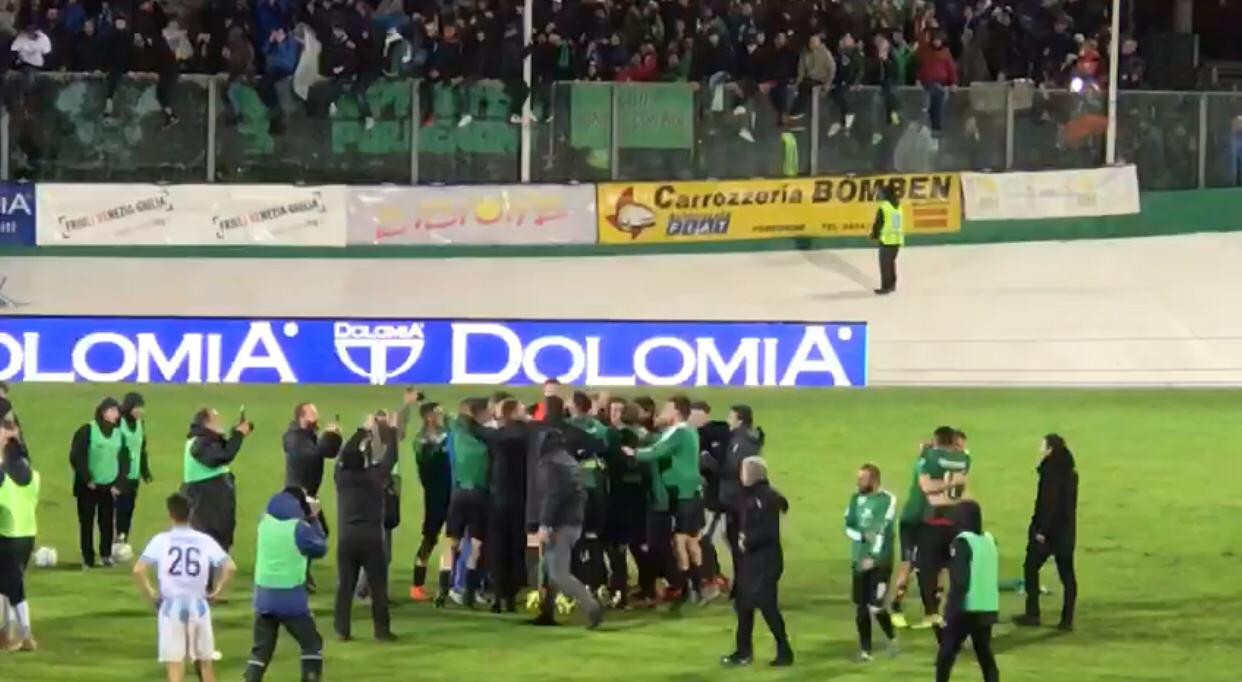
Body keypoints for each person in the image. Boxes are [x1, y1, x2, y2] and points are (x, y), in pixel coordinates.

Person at [133, 493, 236, 682]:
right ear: (191, 513)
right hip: (199, 605)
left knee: (175, 665)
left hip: (171, 607)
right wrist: (217, 592)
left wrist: (152, 594)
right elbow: (229, 567)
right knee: (205, 663)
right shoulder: (204, 540)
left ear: (170, 514)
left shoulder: (161, 540)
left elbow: (138, 570)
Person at [624, 395, 707, 604]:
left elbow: (658, 451)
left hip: (685, 493)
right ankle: (695, 586)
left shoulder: (681, 432)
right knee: (687, 540)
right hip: (685, 492)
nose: (663, 411)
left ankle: (692, 586)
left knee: (682, 540)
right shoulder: (683, 431)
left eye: (667, 408)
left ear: (676, 411)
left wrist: (634, 453)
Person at [245, 487, 328, 682]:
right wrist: (314, 518)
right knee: (311, 643)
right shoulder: (299, 529)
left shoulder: (264, 522)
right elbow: (320, 547)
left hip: (263, 597)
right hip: (291, 599)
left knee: (261, 650)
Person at [722, 456, 792, 667]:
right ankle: (743, 652)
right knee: (743, 606)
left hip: (765, 562)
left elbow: (768, 532)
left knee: (768, 607)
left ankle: (785, 651)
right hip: (749, 561)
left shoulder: (764, 498)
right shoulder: (749, 495)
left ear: (752, 474)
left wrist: (747, 541)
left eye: (743, 471)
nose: (741, 475)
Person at [333, 415, 396, 642]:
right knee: (378, 588)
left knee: (345, 587)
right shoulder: (375, 478)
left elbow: (344, 455)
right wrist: (391, 432)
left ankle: (342, 629)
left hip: (347, 539)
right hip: (372, 540)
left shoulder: (341, 479)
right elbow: (391, 457)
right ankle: (381, 631)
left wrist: (361, 430)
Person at [534, 425, 604, 629]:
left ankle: (592, 607)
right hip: (574, 522)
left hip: (560, 524)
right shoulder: (569, 461)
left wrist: (545, 524)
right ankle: (546, 613)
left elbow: (552, 495)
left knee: (559, 574)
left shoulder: (550, 463)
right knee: (548, 569)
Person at [1015, 434, 1078, 631]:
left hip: (1049, 532)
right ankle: (1067, 620)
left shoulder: (1050, 472)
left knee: (1030, 567)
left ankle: (1032, 614)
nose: (1040, 449)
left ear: (1050, 449)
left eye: (1043, 445)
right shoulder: (1070, 472)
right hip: (1066, 531)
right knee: (1067, 575)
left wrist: (1042, 530)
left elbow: (1049, 503)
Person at [935, 500, 1000, 682]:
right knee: (984, 654)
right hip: (988, 606)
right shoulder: (989, 540)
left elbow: (960, 581)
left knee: (946, 654)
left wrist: (949, 611)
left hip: (967, 607)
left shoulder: (962, 542)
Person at [917, 427, 972, 636]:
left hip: (934, 521)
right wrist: (951, 484)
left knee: (928, 572)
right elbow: (960, 477)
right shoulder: (965, 459)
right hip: (956, 521)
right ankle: (954, 616)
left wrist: (924, 454)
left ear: (937, 440)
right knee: (954, 570)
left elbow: (926, 486)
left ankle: (934, 615)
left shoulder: (931, 457)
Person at [283, 403, 342, 591]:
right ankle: (297, 574)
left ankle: (302, 572)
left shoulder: (308, 435)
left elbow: (328, 452)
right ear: (302, 417)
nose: (317, 417)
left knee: (319, 532)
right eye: (313, 414)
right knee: (313, 533)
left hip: (309, 496)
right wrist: (329, 437)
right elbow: (312, 455)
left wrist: (333, 437)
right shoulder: (295, 438)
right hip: (298, 496)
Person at [845, 464, 899, 661]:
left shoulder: (887, 500)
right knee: (861, 608)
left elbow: (884, 530)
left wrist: (873, 558)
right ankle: (865, 650)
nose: (858, 482)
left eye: (862, 479)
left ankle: (891, 637)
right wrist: (861, 536)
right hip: (859, 561)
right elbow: (848, 526)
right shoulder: (854, 499)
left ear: (874, 480)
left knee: (876, 607)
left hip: (881, 562)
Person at [439, 399, 490, 607]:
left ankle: (443, 590)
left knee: (451, 542)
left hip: (458, 493)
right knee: (476, 543)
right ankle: (469, 590)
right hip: (478, 494)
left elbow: (450, 418)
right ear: (479, 415)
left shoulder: (456, 432)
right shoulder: (485, 441)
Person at [483, 399, 532, 613]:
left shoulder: (497, 436)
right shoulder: (527, 434)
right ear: (513, 413)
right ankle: (511, 597)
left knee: (497, 548)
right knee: (515, 548)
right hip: (519, 500)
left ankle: (497, 596)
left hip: (497, 499)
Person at [182, 407, 251, 555]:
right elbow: (222, 456)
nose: (220, 422)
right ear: (206, 423)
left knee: (219, 536)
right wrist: (238, 435)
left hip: (214, 500)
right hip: (207, 501)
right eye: (216, 419)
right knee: (210, 537)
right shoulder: (199, 443)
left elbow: (224, 450)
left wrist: (236, 434)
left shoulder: (207, 440)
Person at [70, 397, 129, 568]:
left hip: (109, 487)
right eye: (112, 410)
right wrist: (87, 478)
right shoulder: (87, 431)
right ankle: (88, 558)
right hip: (88, 486)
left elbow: (124, 460)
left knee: (107, 522)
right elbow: (76, 456)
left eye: (117, 411)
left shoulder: (119, 434)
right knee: (87, 523)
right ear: (103, 412)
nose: (116, 414)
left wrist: (119, 484)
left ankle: (106, 555)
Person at [0, 418, 38, 652]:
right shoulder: (34, 476)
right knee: (8, 585)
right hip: (28, 535)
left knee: (13, 590)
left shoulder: (2, 477)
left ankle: (25, 635)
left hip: (7, 535)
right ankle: (7, 632)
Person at [406, 401, 451, 601]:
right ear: (429, 417)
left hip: (451, 493)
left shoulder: (446, 435)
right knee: (430, 539)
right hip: (434, 495)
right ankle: (417, 585)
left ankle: (446, 586)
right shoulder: (422, 441)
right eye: (438, 413)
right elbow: (428, 461)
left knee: (452, 539)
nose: (443, 415)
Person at [719, 405, 764, 595]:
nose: (728, 421)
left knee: (740, 545)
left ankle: (744, 586)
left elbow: (734, 469)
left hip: (737, 500)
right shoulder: (745, 439)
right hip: (738, 499)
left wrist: (711, 464)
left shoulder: (741, 441)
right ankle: (742, 584)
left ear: (739, 420)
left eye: (731, 417)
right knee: (737, 543)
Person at [690, 401, 731, 594]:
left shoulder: (713, 436)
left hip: (717, 499)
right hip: (712, 497)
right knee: (707, 538)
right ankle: (715, 576)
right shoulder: (720, 434)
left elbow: (722, 469)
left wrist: (707, 464)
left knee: (705, 538)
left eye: (694, 415)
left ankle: (714, 578)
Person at [890, 441, 932, 629]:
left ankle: (899, 609)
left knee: (910, 565)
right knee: (916, 566)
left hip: (912, 519)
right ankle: (899, 608)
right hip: (918, 521)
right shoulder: (927, 469)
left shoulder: (920, 464)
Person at [116, 392, 153, 548]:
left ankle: (122, 539)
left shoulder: (140, 424)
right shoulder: (119, 423)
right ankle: (115, 540)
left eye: (141, 408)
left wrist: (145, 472)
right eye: (137, 407)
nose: (140, 411)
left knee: (128, 509)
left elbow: (142, 449)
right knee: (118, 510)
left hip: (134, 475)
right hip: (118, 475)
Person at [870, 184, 904, 295]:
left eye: (881, 193)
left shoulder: (884, 207)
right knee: (891, 264)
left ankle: (886, 287)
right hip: (897, 240)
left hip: (887, 240)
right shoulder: (898, 206)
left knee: (885, 265)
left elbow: (878, 223)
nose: (879, 195)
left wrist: (874, 235)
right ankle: (892, 285)